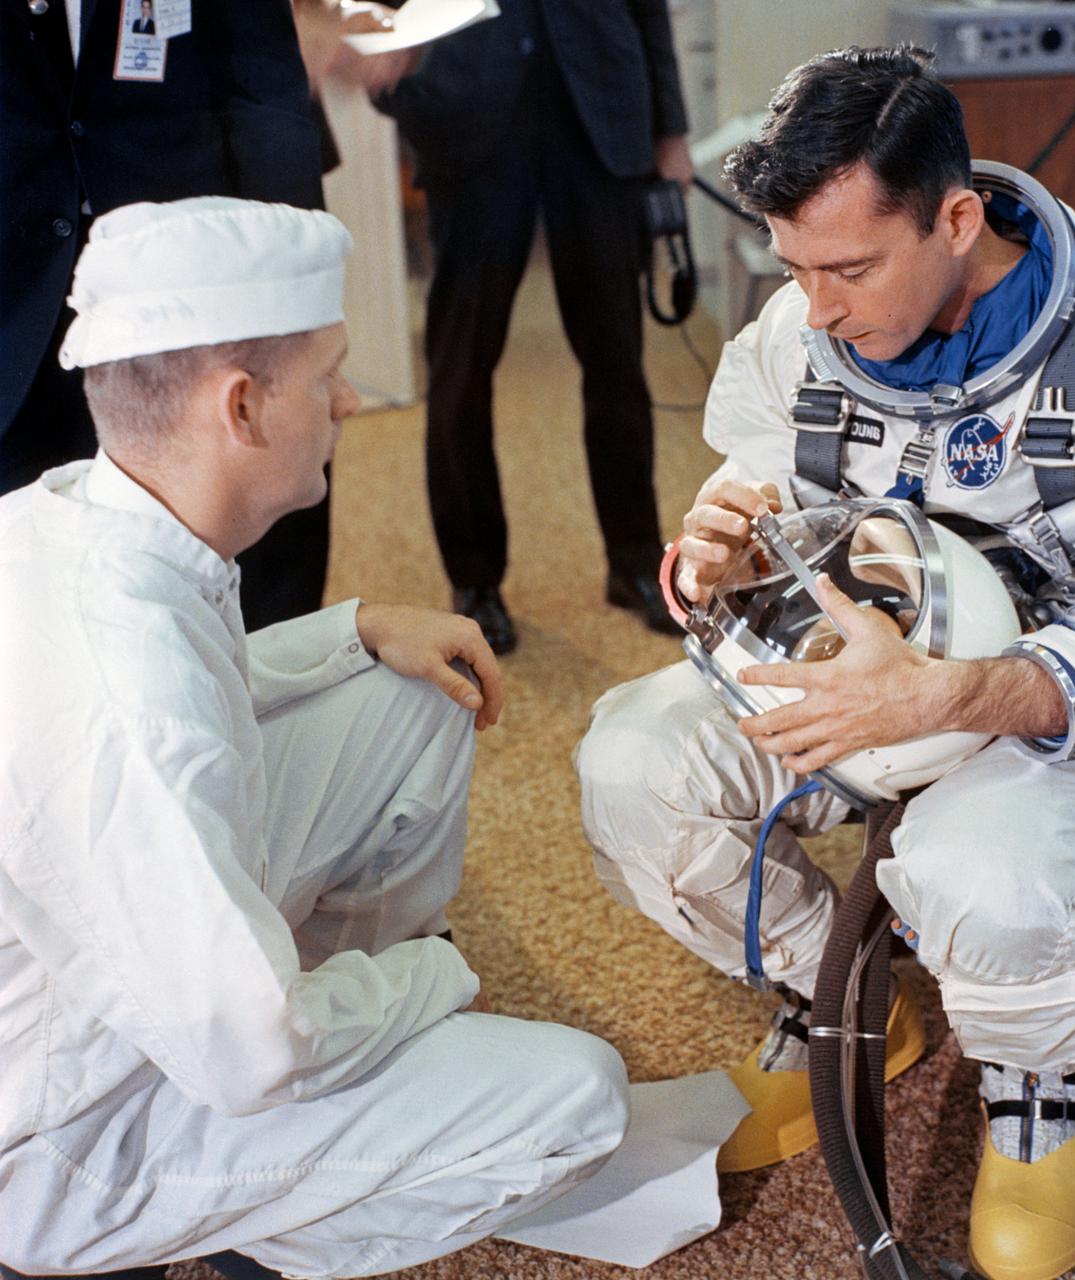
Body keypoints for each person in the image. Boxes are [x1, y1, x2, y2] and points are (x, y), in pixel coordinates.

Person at [574, 46, 1075, 1280]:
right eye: (792, 268)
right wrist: (716, 554)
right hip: (856, 673)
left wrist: (952, 692)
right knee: (629, 765)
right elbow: (755, 481)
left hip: (1056, 707)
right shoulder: (803, 329)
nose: (815, 309)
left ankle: (1042, 1087)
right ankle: (843, 997)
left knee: (975, 868)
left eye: (848, 269)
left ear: (954, 219)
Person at [0, 197, 628, 1278]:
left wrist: (355, 628)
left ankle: (343, 1058)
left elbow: (196, 687)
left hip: (110, 985)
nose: (349, 400)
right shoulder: (135, 711)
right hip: (63, 1135)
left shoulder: (64, 519)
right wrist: (429, 979)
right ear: (241, 407)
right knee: (578, 1098)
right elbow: (252, 1049)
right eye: (328, 374)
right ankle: (247, 1214)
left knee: (410, 689)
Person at [1, 0, 329, 633]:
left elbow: (261, 83)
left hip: (190, 280)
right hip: (13, 296)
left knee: (239, 543)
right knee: (25, 579)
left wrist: (297, 292)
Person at [375, 0, 693, 653]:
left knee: (617, 361)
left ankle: (635, 561)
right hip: (469, 122)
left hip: (599, 118)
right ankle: (474, 581)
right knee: (461, 367)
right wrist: (399, 87)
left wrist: (670, 132)